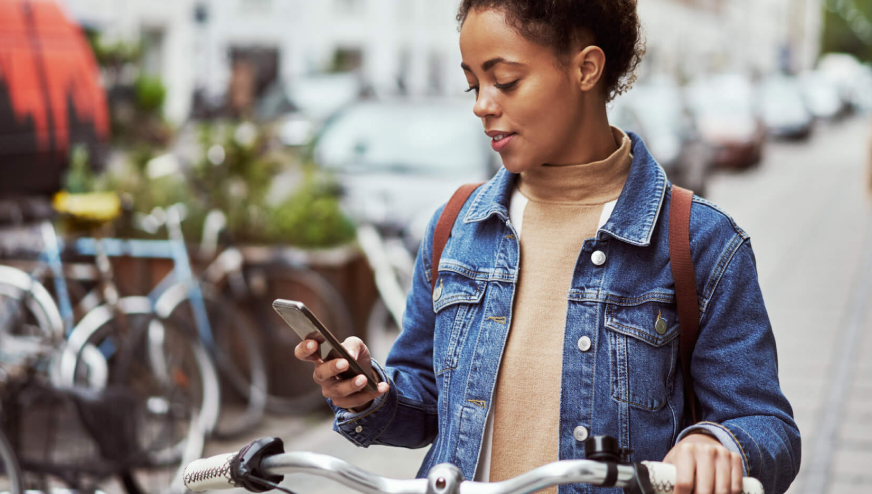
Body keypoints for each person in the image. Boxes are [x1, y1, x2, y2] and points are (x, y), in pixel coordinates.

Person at [295, 1, 800, 493]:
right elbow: (426, 404)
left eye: (505, 81)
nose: (482, 104)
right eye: (473, 83)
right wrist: (368, 393)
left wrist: (718, 443)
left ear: (586, 68)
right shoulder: (457, 226)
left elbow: (766, 425)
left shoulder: (699, 241)